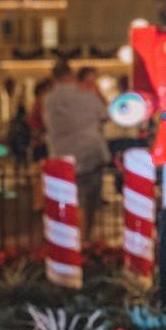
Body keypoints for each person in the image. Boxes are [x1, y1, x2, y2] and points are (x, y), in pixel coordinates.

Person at [43, 62, 110, 243]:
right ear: (72, 76)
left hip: (61, 156)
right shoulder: (87, 96)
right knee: (88, 200)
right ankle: (85, 241)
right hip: (90, 152)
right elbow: (105, 115)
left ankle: (68, 242)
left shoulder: (48, 99)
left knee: (68, 200)